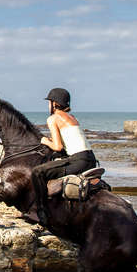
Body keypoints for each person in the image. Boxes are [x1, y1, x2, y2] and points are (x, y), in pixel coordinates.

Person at [31, 88, 97, 226]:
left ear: (54, 104)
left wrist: (44, 141)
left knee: (37, 172)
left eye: (49, 102)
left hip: (78, 160)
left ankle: (39, 211)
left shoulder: (53, 118)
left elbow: (58, 147)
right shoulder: (73, 118)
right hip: (91, 159)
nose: (49, 106)